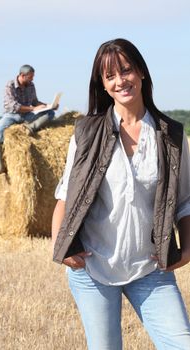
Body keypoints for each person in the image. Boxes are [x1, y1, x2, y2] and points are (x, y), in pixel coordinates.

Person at [52, 38, 190, 349]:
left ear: (141, 72)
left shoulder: (171, 135)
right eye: (110, 76)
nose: (120, 81)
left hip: (151, 270)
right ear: (102, 84)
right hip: (94, 270)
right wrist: (60, 246)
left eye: (126, 70)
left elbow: (184, 201)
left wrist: (187, 249)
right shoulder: (87, 133)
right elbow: (65, 196)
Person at [0, 64, 58, 175]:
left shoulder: (31, 85)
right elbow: (13, 106)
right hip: (11, 115)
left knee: (50, 113)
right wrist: (33, 108)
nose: (32, 79)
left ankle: (29, 128)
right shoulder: (10, 85)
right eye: (30, 77)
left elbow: (35, 102)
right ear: (22, 75)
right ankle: (0, 165)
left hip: (28, 115)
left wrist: (49, 105)